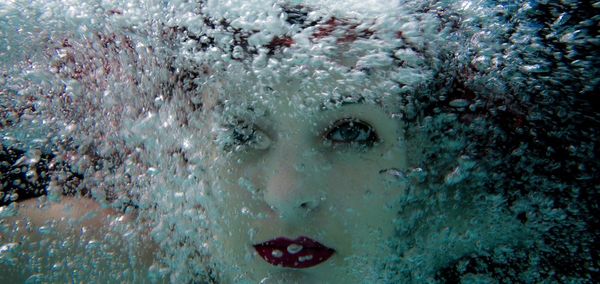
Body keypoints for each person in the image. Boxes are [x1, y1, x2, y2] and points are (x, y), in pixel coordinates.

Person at [1, 1, 598, 283]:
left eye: (351, 133)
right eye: (242, 134)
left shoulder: (505, 225)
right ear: (184, 150)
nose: (289, 198)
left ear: (422, 155)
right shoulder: (92, 254)